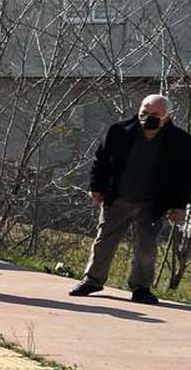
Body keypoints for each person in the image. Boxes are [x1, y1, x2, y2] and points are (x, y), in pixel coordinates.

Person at [69, 93, 191, 304]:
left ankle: (141, 288)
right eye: (144, 112)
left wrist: (179, 205)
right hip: (119, 198)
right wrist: (96, 187)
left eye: (155, 114)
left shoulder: (180, 141)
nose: (148, 117)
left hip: (153, 203)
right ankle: (92, 280)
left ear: (166, 116)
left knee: (147, 246)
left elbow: (184, 176)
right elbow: (101, 160)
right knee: (104, 241)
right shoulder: (119, 131)